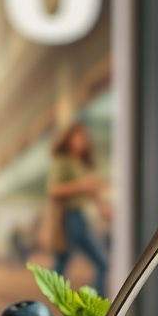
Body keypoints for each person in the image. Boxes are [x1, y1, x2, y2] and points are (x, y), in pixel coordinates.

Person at [47, 121, 110, 296]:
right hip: (67, 217)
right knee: (61, 263)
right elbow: (54, 189)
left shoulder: (82, 163)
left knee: (101, 262)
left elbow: (92, 190)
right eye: (79, 136)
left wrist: (103, 207)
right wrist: (82, 185)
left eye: (85, 138)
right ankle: (49, 304)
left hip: (80, 217)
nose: (83, 141)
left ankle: (99, 304)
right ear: (69, 138)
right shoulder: (64, 162)